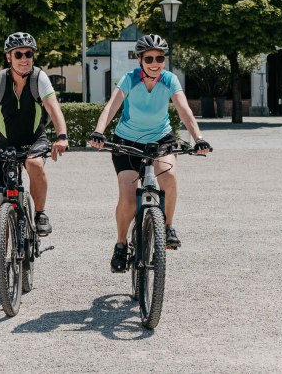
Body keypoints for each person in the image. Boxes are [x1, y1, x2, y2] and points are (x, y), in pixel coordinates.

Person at [88, 34, 211, 273]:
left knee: (170, 177)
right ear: (140, 60)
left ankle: (168, 226)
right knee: (127, 198)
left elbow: (184, 110)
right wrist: (98, 132)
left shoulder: (170, 80)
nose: (155, 63)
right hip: (127, 142)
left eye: (160, 58)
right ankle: (121, 244)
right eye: (150, 59)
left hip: (160, 140)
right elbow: (111, 106)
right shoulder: (129, 79)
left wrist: (199, 138)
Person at [0, 33, 70, 283]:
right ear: (9, 57)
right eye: (18, 54)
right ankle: (1, 261)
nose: (25, 58)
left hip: (34, 139)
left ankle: (39, 214)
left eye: (29, 53)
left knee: (34, 163)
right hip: (4, 144)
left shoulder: (39, 79)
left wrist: (61, 136)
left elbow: (53, 107)